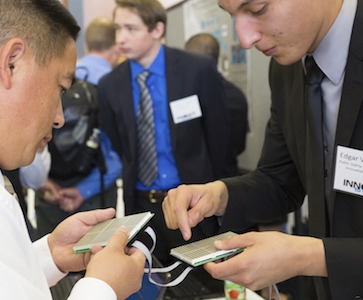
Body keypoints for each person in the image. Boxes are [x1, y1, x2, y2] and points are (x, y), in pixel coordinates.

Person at [0, 1, 145, 299]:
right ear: (11, 63)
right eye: (60, 88)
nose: (59, 117)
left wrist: (48, 255)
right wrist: (103, 288)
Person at [162, 0, 363, 299]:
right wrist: (220, 194)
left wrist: (309, 256)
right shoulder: (286, 69)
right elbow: (280, 179)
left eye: (259, 9)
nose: (245, 39)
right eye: (232, 16)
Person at [98, 0, 232, 264]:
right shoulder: (109, 85)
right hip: (141, 207)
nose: (120, 38)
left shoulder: (198, 70)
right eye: (118, 28)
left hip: (193, 203)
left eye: (131, 28)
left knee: (203, 282)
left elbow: (220, 139)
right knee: (151, 281)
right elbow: (118, 142)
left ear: (157, 30)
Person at [35, 17, 122, 238]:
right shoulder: (116, 86)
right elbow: (116, 158)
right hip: (95, 194)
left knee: (51, 262)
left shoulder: (52, 76)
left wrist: (44, 182)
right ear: (117, 47)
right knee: (96, 262)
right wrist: (82, 192)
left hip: (49, 191)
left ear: (86, 45)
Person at [184, 32, 248, 177]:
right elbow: (239, 146)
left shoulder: (187, 97)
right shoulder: (236, 95)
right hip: (229, 181)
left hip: (196, 185)